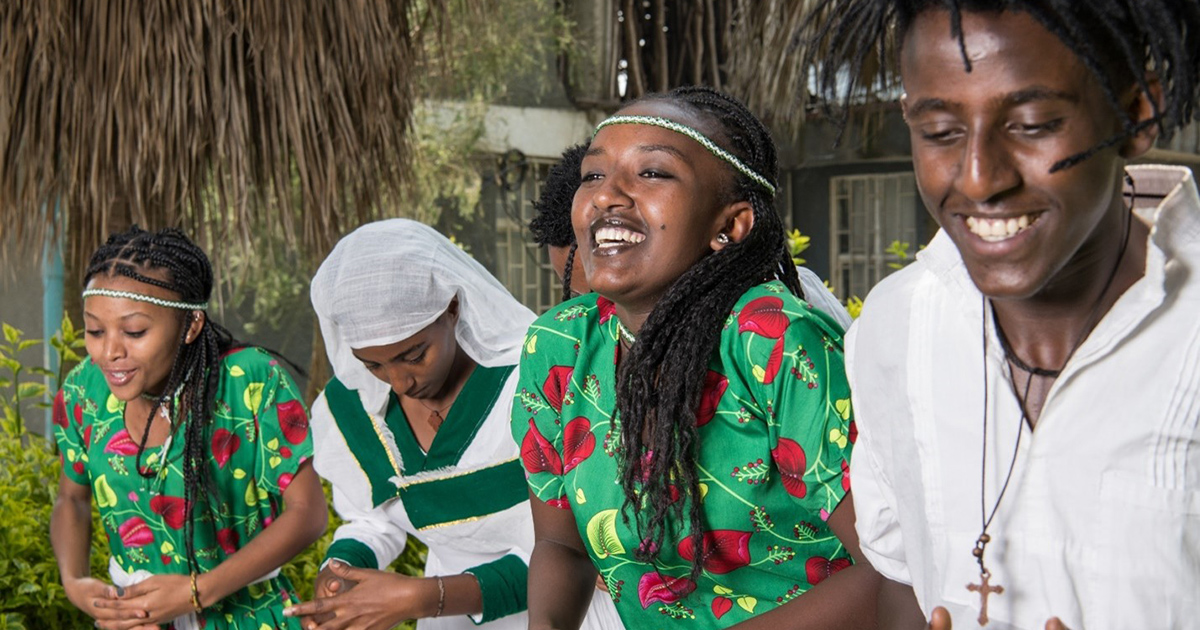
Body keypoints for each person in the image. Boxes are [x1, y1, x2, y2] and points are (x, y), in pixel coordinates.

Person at [796, 1, 1200, 628]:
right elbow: (904, 583)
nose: (981, 178)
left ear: (1136, 112)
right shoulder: (897, 325)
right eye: (940, 133)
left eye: (1034, 124)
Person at [511, 86, 878, 630]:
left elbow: (893, 570)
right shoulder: (559, 346)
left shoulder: (771, 340)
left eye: (653, 172)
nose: (607, 195)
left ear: (728, 226)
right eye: (594, 174)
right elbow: (562, 548)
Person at [287, 219, 621, 630]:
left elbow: (575, 548)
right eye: (372, 363)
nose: (399, 383)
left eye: (414, 354)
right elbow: (372, 519)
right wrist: (342, 571)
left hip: (572, 613)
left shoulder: (533, 380)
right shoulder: (352, 408)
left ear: (453, 307)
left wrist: (426, 597)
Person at [51, 226, 326, 630]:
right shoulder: (82, 392)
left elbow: (307, 513)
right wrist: (75, 584)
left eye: (134, 331)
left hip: (247, 619)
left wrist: (200, 590)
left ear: (192, 325)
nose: (109, 351)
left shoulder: (249, 382)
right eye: (95, 331)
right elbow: (70, 500)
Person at [530, 140, 854, 330]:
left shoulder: (779, 329)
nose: (596, 314)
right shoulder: (567, 355)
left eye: (605, 299)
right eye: (580, 298)